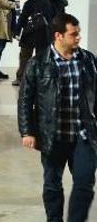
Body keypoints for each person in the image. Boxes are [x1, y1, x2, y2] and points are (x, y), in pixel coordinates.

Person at [18, 13, 97, 222]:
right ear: (58, 36)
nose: (78, 38)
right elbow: (25, 99)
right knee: (52, 184)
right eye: (74, 34)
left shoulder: (88, 60)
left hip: (83, 134)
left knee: (84, 183)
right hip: (52, 135)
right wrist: (27, 131)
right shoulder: (38, 63)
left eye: (78, 33)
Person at [14, 0, 55, 86]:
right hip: (44, 35)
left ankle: (20, 79)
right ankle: (39, 80)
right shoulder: (49, 4)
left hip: (29, 33)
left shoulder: (29, 3)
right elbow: (51, 21)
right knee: (41, 59)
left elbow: (22, 19)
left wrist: (17, 32)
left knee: (24, 58)